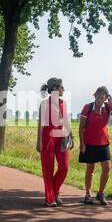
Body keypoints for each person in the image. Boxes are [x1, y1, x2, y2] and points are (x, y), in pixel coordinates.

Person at [79, 86, 112, 206]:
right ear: (94, 96)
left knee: (107, 168)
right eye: (97, 96)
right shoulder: (87, 107)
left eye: (102, 97)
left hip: (103, 143)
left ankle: (101, 193)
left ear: (105, 98)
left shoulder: (108, 108)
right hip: (89, 143)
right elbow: (81, 127)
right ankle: (87, 194)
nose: (99, 99)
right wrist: (82, 144)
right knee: (90, 169)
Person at [37, 78, 73, 207]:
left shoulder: (64, 103)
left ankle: (55, 190)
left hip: (62, 137)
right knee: (48, 169)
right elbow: (41, 124)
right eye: (62, 87)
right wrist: (39, 141)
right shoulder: (44, 104)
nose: (64, 89)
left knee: (64, 167)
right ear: (55, 89)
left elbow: (66, 121)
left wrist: (71, 136)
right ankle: (50, 197)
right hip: (48, 137)